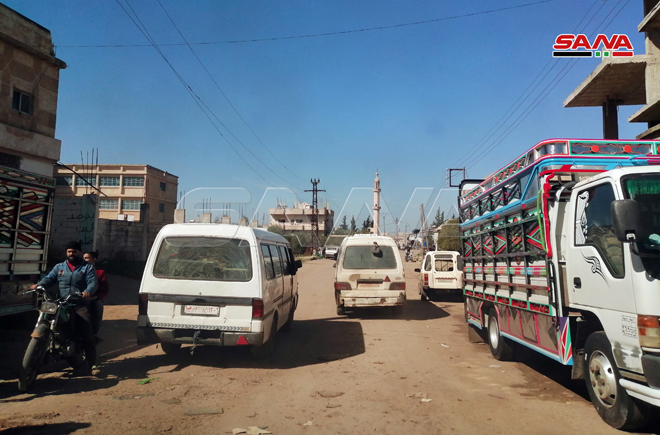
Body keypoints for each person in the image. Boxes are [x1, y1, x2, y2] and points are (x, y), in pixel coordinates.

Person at [30, 240, 98, 374]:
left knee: (87, 333)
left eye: (74, 251)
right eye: (69, 251)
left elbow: (93, 282)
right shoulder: (59, 267)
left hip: (79, 304)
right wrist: (39, 285)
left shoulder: (87, 267)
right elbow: (49, 278)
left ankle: (92, 364)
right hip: (62, 303)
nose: (71, 254)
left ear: (79, 252)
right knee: (51, 320)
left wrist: (88, 291)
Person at [84, 251, 109, 338]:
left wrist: (97, 297)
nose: (85, 260)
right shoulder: (78, 271)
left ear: (94, 260)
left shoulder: (100, 272)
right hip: (80, 298)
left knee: (98, 307)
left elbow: (105, 289)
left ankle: (94, 333)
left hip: (94, 299)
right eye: (83, 258)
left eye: (87, 258)